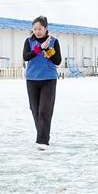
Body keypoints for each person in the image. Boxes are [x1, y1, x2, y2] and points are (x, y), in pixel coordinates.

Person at [22, 15, 62, 150]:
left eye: (40, 29)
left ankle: (42, 141)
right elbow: (26, 57)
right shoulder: (29, 41)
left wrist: (48, 50)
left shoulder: (54, 41)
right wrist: (39, 48)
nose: (37, 31)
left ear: (46, 28)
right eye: (35, 29)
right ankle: (44, 135)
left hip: (49, 79)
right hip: (32, 79)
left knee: (45, 110)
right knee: (35, 110)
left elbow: (57, 61)